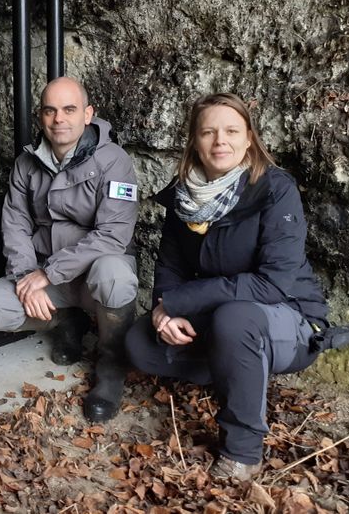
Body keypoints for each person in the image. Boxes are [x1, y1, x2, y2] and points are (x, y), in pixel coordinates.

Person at [124, 92, 328, 480]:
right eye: (209, 132)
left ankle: (243, 451)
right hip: (224, 313)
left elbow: (272, 284)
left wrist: (179, 302)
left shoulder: (275, 190)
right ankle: (234, 369)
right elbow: (169, 264)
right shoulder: (185, 197)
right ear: (195, 141)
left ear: (249, 138)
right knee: (138, 342)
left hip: (290, 318)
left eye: (232, 131)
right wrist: (164, 311)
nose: (220, 141)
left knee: (236, 321)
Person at [0, 76, 139, 422]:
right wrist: (25, 276)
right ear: (40, 117)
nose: (59, 119)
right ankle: (66, 323)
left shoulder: (114, 161)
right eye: (50, 111)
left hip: (92, 273)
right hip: (46, 272)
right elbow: (15, 224)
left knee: (115, 278)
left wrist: (46, 273)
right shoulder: (26, 164)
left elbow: (112, 234)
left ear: (88, 114)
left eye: (69, 109)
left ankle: (111, 367)